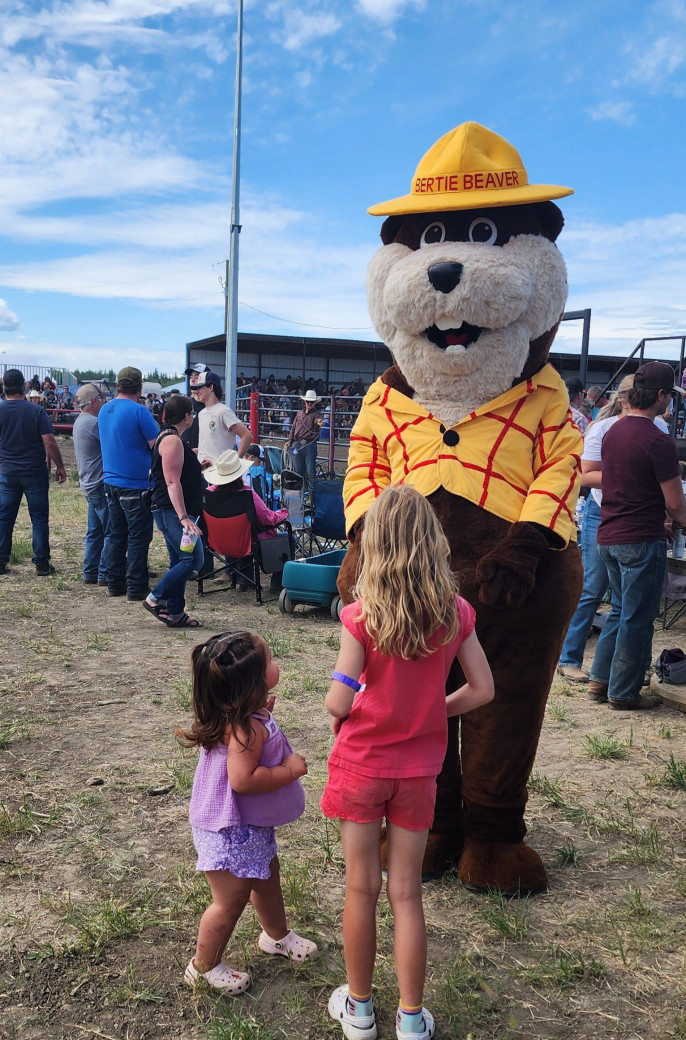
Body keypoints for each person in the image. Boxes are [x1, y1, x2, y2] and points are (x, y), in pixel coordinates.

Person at [321, 486, 494, 1040]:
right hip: (420, 772)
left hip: (361, 766)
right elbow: (483, 688)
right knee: (406, 893)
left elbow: (338, 700)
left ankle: (360, 1010)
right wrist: (436, 709)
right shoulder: (455, 612)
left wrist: (341, 704)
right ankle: (412, 1018)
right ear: (431, 544)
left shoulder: (362, 616)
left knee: (359, 888)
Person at [176, 630, 317, 994]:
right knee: (230, 901)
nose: (276, 664)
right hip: (230, 829)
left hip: (246, 826)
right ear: (251, 686)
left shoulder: (243, 714)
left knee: (267, 877)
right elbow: (243, 779)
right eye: (270, 661)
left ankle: (276, 936)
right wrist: (290, 771)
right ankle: (203, 966)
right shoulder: (246, 729)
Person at [587, 362, 686, 710]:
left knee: (618, 611)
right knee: (638, 618)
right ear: (660, 396)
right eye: (669, 397)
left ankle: (600, 681)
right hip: (641, 537)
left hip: (609, 534)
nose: (670, 404)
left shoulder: (613, 431)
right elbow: (676, 504)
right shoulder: (659, 442)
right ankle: (623, 693)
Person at [98, 367, 159, 601]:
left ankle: (114, 583)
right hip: (135, 484)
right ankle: (136, 587)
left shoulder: (104, 410)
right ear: (140, 388)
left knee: (115, 534)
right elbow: (158, 446)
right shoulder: (140, 412)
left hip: (110, 481)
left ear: (117, 386)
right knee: (138, 536)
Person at [143, 395, 204, 628]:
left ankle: (175, 612)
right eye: (192, 414)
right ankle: (154, 598)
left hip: (171, 510)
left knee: (179, 559)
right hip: (171, 511)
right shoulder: (172, 440)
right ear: (186, 416)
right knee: (192, 560)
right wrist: (183, 517)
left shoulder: (172, 438)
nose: (193, 417)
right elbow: (171, 481)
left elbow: (179, 470)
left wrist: (198, 465)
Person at [0, 369, 67, 576]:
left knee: (4, 518)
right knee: (39, 518)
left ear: (4, 387)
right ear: (24, 387)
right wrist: (60, 465)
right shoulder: (36, 411)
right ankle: (42, 563)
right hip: (34, 471)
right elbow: (49, 441)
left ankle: (1, 561)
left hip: (7, 472)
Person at [203, 449, 289, 592]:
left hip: (217, 542)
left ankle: (245, 579)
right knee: (282, 537)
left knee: (242, 531)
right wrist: (284, 513)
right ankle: (277, 583)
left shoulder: (209, 493)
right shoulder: (246, 493)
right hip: (245, 543)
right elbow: (268, 519)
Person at [73, 383, 111, 587]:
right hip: (99, 484)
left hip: (89, 483)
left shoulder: (81, 421)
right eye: (102, 399)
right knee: (111, 530)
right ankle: (105, 573)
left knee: (94, 531)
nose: (104, 402)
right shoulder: (94, 424)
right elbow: (111, 445)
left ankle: (90, 571)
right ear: (95, 401)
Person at [191, 371, 251, 465]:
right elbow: (212, 443)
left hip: (219, 472)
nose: (197, 391)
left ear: (211, 387)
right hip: (203, 469)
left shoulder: (223, 412)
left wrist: (234, 462)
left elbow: (247, 435)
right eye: (196, 388)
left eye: (200, 387)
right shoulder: (201, 413)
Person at [284, 389, 324, 491]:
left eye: (311, 402)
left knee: (310, 472)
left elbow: (318, 421)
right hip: (297, 444)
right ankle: (302, 493)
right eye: (308, 402)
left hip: (309, 444)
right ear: (305, 402)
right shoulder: (299, 414)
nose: (309, 403)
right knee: (298, 470)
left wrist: (319, 422)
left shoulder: (317, 414)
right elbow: (293, 428)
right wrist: (290, 440)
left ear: (315, 403)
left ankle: (312, 494)